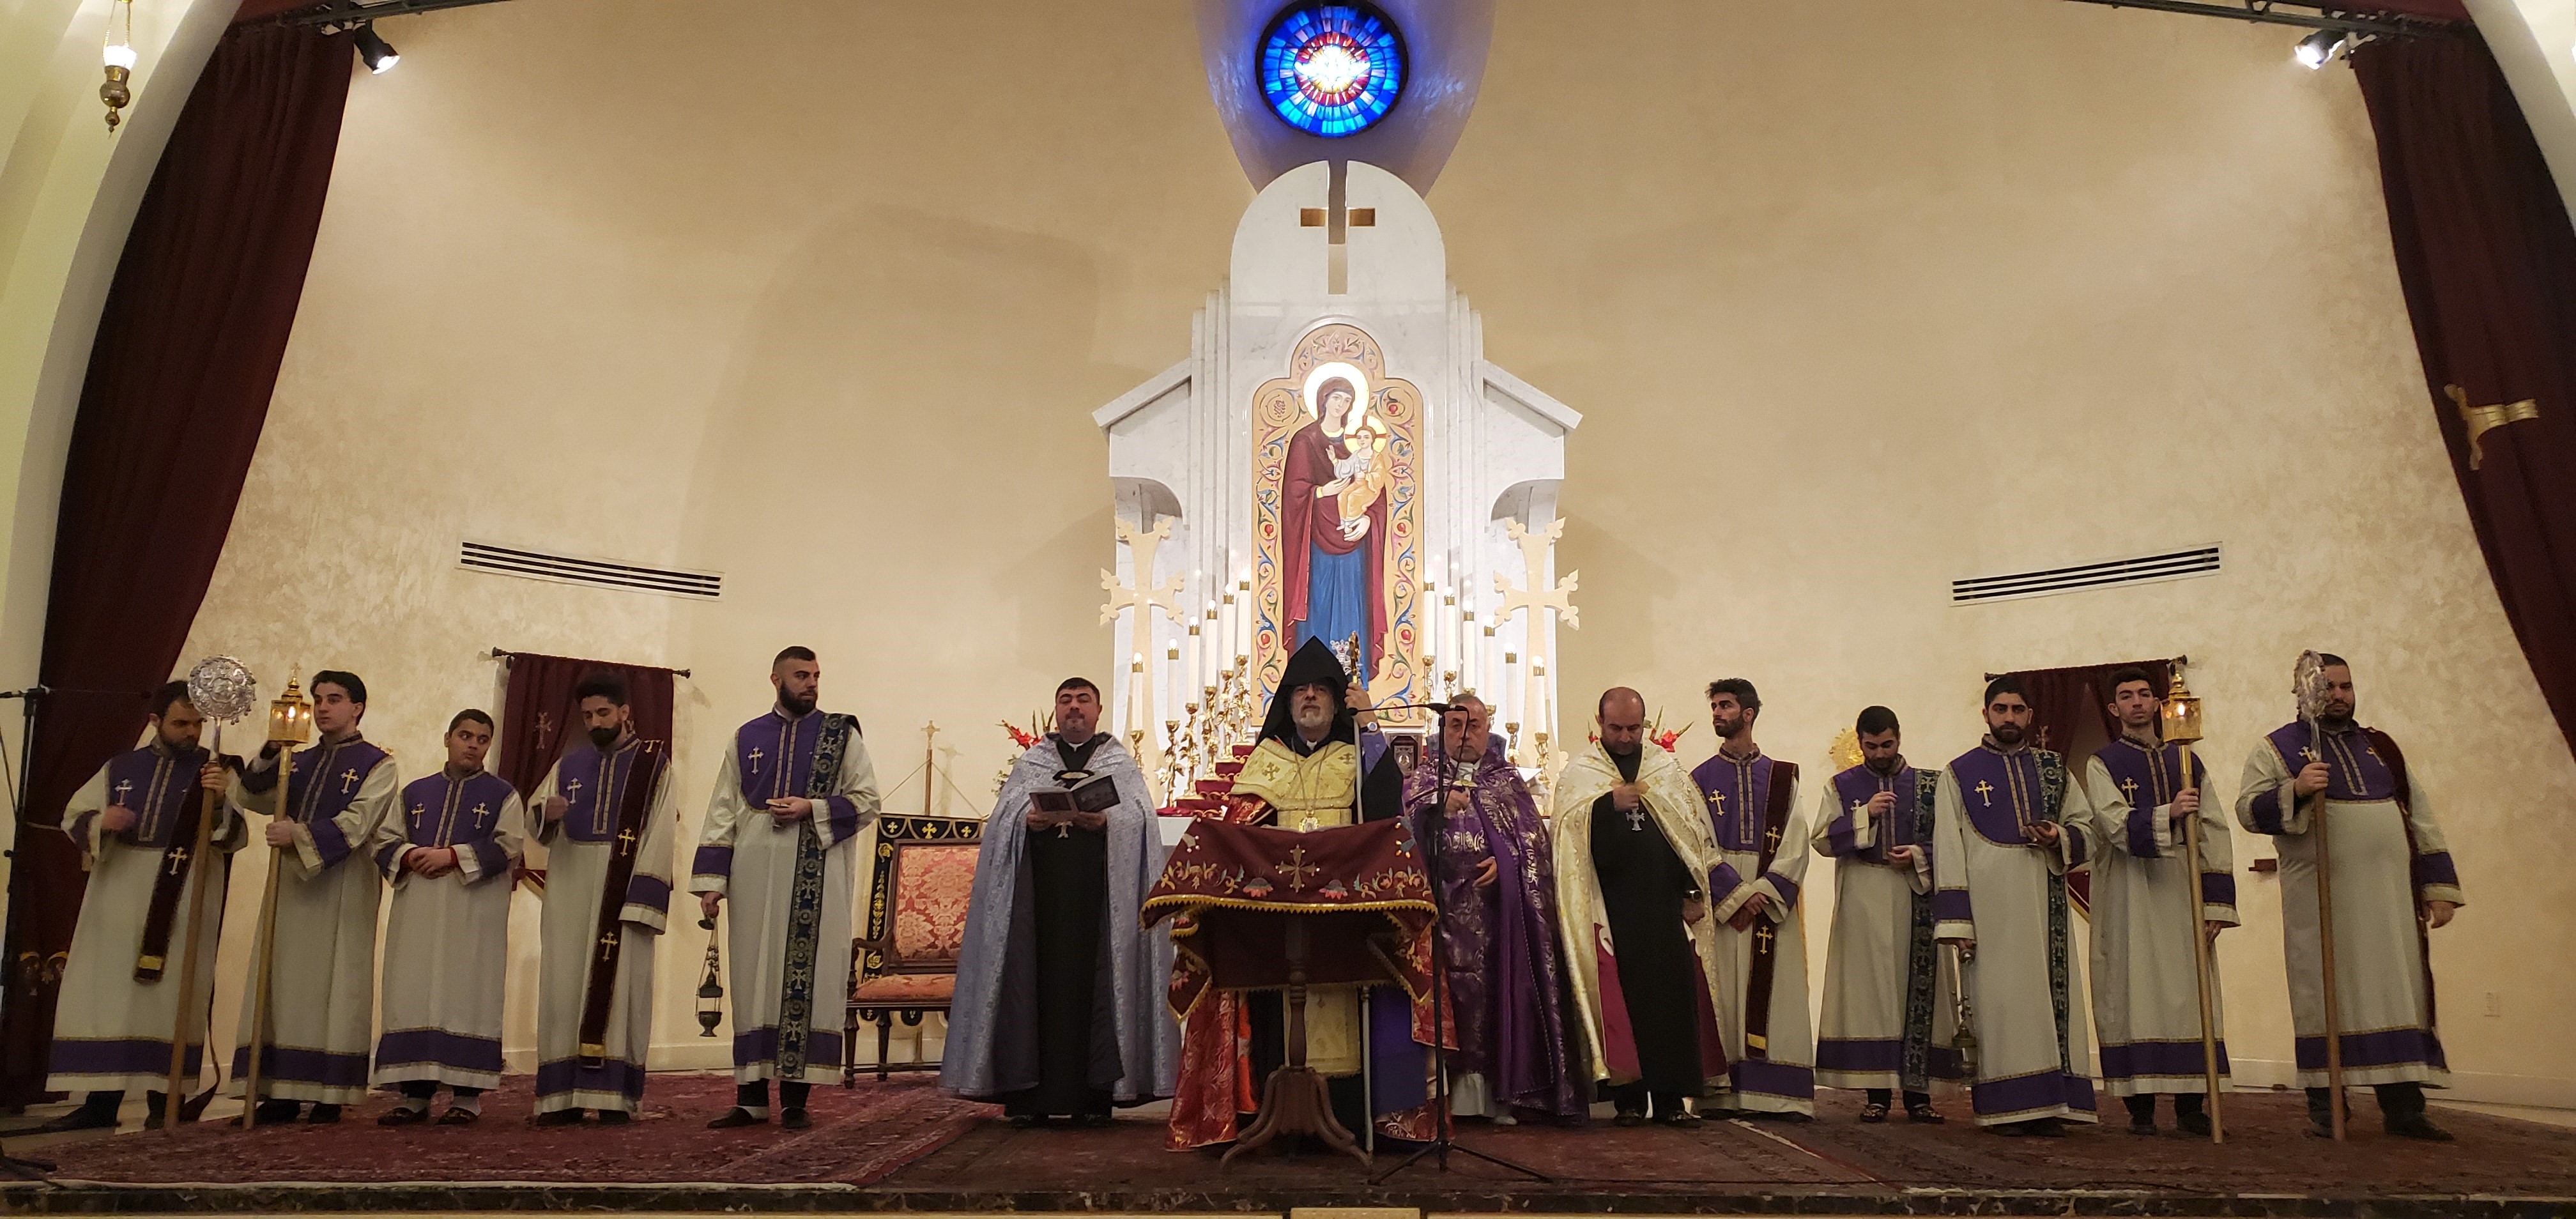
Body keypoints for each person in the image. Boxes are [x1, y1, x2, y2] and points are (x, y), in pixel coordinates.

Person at [1163, 636, 1418, 1151]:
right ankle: (1274, 1119)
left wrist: (1369, 723)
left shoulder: (1356, 756)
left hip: (1345, 916)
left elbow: (1390, 809)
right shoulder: (1265, 763)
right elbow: (1236, 836)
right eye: (1299, 691)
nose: (1308, 698)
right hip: (1271, 920)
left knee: (1351, 997)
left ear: (1336, 700)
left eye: (1319, 691)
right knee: (1271, 1001)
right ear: (1286, 702)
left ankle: (1348, 1116)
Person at [2236, 654, 2462, 1141]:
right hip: (2323, 903)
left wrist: (2438, 889)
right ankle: (2327, 1109)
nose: (2338, 695)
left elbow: (2419, 816)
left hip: (2391, 903)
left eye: (2345, 686)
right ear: (2303, 693)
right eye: (2328, 687)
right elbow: (2248, 811)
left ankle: (2405, 1110)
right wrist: (2295, 789)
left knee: (2397, 993)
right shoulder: (2277, 748)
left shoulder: (2382, 748)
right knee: (2325, 995)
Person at [944, 677, 1178, 1126]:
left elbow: (1140, 820)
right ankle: (1028, 1099)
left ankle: (1093, 1099)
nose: (1074, 708)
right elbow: (999, 824)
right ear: (1055, 710)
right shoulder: (1032, 762)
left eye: (1083, 701)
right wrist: (1025, 822)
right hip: (1039, 908)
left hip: (1097, 909)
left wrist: (1107, 821)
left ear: (1098, 710)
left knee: (1093, 991)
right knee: (1031, 987)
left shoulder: (1118, 763)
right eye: (1066, 701)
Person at [37, 683, 241, 1131]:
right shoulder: (120, 768)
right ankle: (100, 1102)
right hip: (118, 891)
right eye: (180, 723)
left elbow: (235, 836)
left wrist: (222, 800)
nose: (191, 733)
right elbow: (73, 816)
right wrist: (100, 821)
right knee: (109, 994)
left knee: (170, 996)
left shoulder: (216, 770)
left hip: (184, 890)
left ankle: (162, 1102)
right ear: (155, 722)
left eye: (197, 724)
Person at [694, 647, 882, 1130]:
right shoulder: (746, 737)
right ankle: (750, 1098)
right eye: (802, 676)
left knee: (809, 981)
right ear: (776, 677)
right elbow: (722, 810)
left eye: (816, 676)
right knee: (753, 980)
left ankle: (796, 1102)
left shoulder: (842, 737)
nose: (811, 684)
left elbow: (867, 801)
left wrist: (811, 808)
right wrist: (713, 883)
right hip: (754, 879)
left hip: (817, 877)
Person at [1397, 694, 1581, 1123]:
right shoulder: (1422, 779)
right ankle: (1440, 1097)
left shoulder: (1505, 780)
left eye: (1474, 726)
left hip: (1496, 918)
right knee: (1446, 1000)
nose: (1464, 735)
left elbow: (1534, 844)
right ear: (1443, 732)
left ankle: (1502, 1095)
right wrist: (1433, 810)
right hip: (1437, 913)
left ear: (1488, 730)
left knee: (1496, 1001)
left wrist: (1508, 861)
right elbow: (1399, 831)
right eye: (1455, 726)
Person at [1552, 687, 1726, 1128]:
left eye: (1634, 728)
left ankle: (1671, 1100)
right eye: (1617, 728)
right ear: (1600, 722)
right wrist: (1606, 808)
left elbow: (1689, 834)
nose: (1626, 737)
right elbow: (1566, 838)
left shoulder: (1666, 769)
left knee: (1669, 1001)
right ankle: (1628, 1099)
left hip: (1663, 906)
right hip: (1609, 908)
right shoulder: (1582, 773)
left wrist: (1692, 893)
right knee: (1620, 1003)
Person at [1933, 677, 2099, 1135]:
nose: (2009, 717)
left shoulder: (2054, 770)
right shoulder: (1959, 773)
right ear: (1985, 714)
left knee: (2049, 1002)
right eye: (2000, 709)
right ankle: (2009, 1107)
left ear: (2030, 716)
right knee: (2001, 1005)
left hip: (2044, 903)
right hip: (1989, 914)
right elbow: (1948, 846)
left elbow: (2087, 829)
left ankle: (2053, 1104)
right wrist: (1956, 921)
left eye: (2018, 710)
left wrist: (2058, 837)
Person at [229, 670, 397, 1124]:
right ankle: (279, 1091)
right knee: (280, 982)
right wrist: (270, 747)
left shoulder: (379, 764)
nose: (322, 707)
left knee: (335, 986)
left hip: (341, 886)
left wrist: (299, 834)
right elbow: (250, 795)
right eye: (318, 700)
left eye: (334, 699)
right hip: (289, 887)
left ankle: (329, 1092)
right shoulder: (295, 761)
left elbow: (359, 823)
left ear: (357, 707)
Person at [2085, 670, 2234, 1136]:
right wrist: (2169, 812)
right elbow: (2111, 823)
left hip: (2183, 891)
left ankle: (2192, 1107)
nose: (2136, 703)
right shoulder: (2101, 762)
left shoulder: (2188, 761)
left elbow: (2213, 829)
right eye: (2126, 697)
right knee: (2134, 989)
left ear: (2158, 704)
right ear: (2115, 709)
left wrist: (2216, 904)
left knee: (2190, 995)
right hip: (2130, 890)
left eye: (2144, 695)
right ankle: (2140, 1108)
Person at [528, 672, 678, 1125]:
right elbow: (535, 820)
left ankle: (615, 1097)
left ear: (625, 712)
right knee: (563, 986)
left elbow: (661, 833)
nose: (595, 721)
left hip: (624, 890)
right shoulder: (567, 765)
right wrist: (545, 816)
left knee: (623, 992)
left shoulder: (654, 765)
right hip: (571, 888)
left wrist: (644, 900)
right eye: (588, 715)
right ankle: (561, 1097)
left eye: (604, 713)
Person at [371, 709, 525, 1126]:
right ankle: (413, 1096)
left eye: (482, 739)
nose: (473, 745)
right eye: (465, 735)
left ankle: (467, 1098)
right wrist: (410, 855)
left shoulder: (503, 796)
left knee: (468, 996)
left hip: (472, 915)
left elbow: (510, 844)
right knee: (413, 993)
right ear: (447, 738)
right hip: (418, 912)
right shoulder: (415, 793)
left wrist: (453, 855)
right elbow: (384, 840)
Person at [1812, 705, 1955, 1124]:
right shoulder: (1842, 786)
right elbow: (1820, 840)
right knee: (1872, 996)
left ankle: (1918, 1097)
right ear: (1860, 743)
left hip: (1915, 893)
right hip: (1864, 893)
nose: (1880, 752)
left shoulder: (1931, 785)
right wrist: (1864, 816)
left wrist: (1918, 854)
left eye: (1887, 744)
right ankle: (1876, 1095)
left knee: (1914, 991)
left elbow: (1952, 841)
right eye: (1871, 746)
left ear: (1899, 737)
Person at [1690, 678, 1816, 1119]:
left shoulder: (1784, 776)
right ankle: (1725, 1094)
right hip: (1727, 903)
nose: (1717, 714)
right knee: (1724, 991)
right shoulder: (1700, 778)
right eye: (1714, 706)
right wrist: (1737, 896)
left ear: (1748, 713)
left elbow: (1797, 840)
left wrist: (1763, 892)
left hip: (1768, 897)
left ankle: (1778, 1096)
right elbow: (1697, 842)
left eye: (1725, 706)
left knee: (1775, 995)